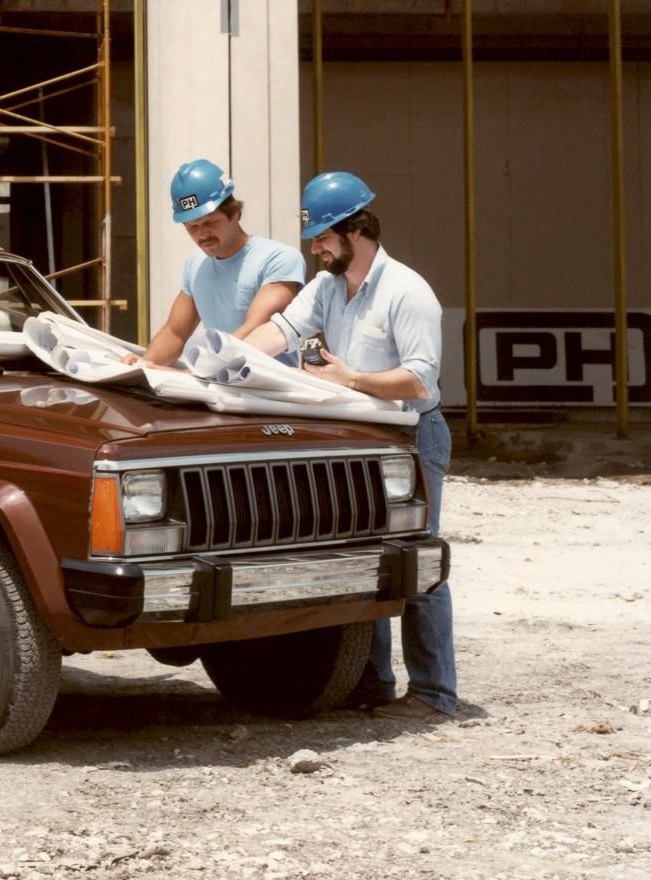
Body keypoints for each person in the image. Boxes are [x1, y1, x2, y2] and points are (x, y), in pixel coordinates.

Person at [242, 171, 456, 721]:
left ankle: (434, 695)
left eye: (321, 238)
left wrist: (351, 379)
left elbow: (420, 381)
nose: (314, 248)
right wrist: (229, 361)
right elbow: (282, 331)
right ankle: (373, 684)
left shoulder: (408, 292)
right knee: (367, 561)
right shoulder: (328, 286)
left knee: (415, 562)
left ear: (355, 231)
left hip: (412, 437)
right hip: (362, 437)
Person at [128, 159, 306, 367]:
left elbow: (255, 328)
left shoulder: (279, 259)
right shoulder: (195, 264)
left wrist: (199, 371)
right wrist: (143, 365)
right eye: (192, 227)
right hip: (216, 384)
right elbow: (175, 332)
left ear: (235, 213)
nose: (202, 234)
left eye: (210, 222)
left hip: (268, 391)